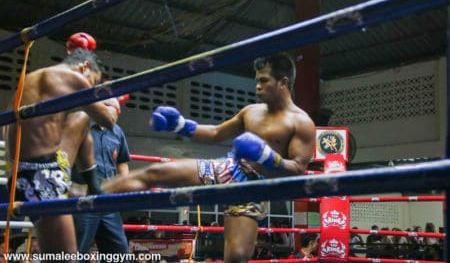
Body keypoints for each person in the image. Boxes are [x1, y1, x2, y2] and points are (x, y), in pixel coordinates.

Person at [102, 52, 316, 262]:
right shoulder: (251, 111)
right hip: (226, 168)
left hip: (253, 189)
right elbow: (215, 133)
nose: (257, 86)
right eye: (256, 80)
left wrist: (267, 156)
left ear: (283, 82)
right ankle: (92, 194)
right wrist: (180, 125)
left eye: (264, 80)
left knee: (236, 257)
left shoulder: (301, 122)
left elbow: (298, 167)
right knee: (155, 172)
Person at [4, 48, 116, 258]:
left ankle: (92, 186)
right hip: (42, 178)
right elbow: (107, 121)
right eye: (92, 82)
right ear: (84, 67)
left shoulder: (30, 78)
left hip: (23, 174)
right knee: (66, 258)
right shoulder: (74, 77)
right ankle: (91, 188)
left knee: (82, 118)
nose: (91, 87)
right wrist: (113, 103)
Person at [71, 97, 131, 261]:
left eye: (117, 115)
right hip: (83, 200)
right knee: (75, 254)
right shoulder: (80, 125)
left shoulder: (117, 132)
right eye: (113, 113)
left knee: (119, 254)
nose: (114, 118)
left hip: (109, 202)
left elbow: (122, 162)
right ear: (101, 110)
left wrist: (124, 186)